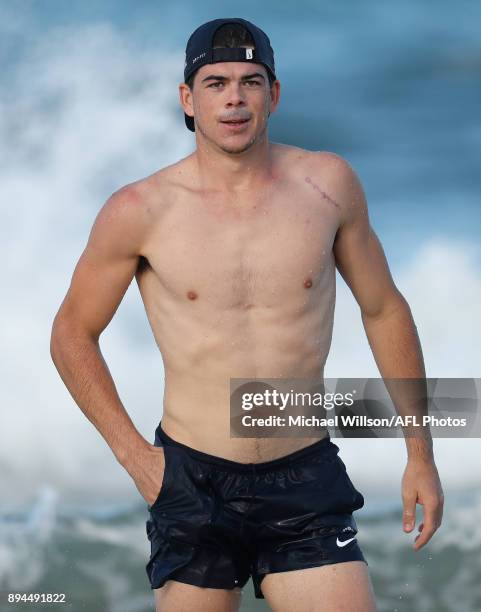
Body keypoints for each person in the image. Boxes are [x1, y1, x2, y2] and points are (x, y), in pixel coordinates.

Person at [50, 17, 444, 612]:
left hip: (305, 476)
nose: (234, 98)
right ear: (188, 98)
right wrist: (138, 460)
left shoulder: (328, 186)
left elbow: (384, 309)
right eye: (215, 83)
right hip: (191, 479)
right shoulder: (140, 210)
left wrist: (420, 452)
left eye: (250, 81)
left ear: (273, 94)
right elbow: (71, 334)